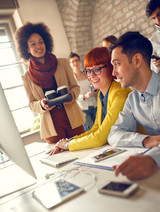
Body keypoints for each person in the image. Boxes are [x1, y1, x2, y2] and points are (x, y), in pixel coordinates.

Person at [51, 47, 131, 154]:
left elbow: (100, 137)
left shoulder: (120, 93)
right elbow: (96, 129)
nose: (91, 75)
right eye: (88, 71)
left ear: (109, 68)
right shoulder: (101, 94)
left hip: (136, 149)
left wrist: (68, 145)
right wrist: (70, 140)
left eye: (97, 69)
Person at [15, 22, 85, 143]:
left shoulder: (62, 63)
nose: (39, 46)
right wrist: (41, 104)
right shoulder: (26, 77)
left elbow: (75, 86)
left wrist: (73, 94)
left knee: (84, 151)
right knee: (61, 158)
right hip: (51, 126)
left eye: (41, 42)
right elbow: (32, 104)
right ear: (27, 49)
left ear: (46, 42)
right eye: (33, 44)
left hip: (73, 119)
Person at [108, 31, 160, 180]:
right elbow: (114, 134)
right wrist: (146, 140)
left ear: (137, 60)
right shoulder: (132, 99)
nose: (113, 73)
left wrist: (153, 159)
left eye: (117, 64)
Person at [68, 52, 97, 131]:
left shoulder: (86, 73)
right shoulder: (71, 80)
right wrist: (84, 96)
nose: (75, 63)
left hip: (94, 103)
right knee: (89, 129)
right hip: (83, 107)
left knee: (99, 126)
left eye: (76, 60)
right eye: (72, 61)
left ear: (80, 61)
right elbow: (72, 95)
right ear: (69, 64)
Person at [146, 0, 160, 73]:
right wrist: (156, 65)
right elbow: (153, 70)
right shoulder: (152, 41)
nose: (157, 20)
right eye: (153, 18)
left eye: (159, 14)